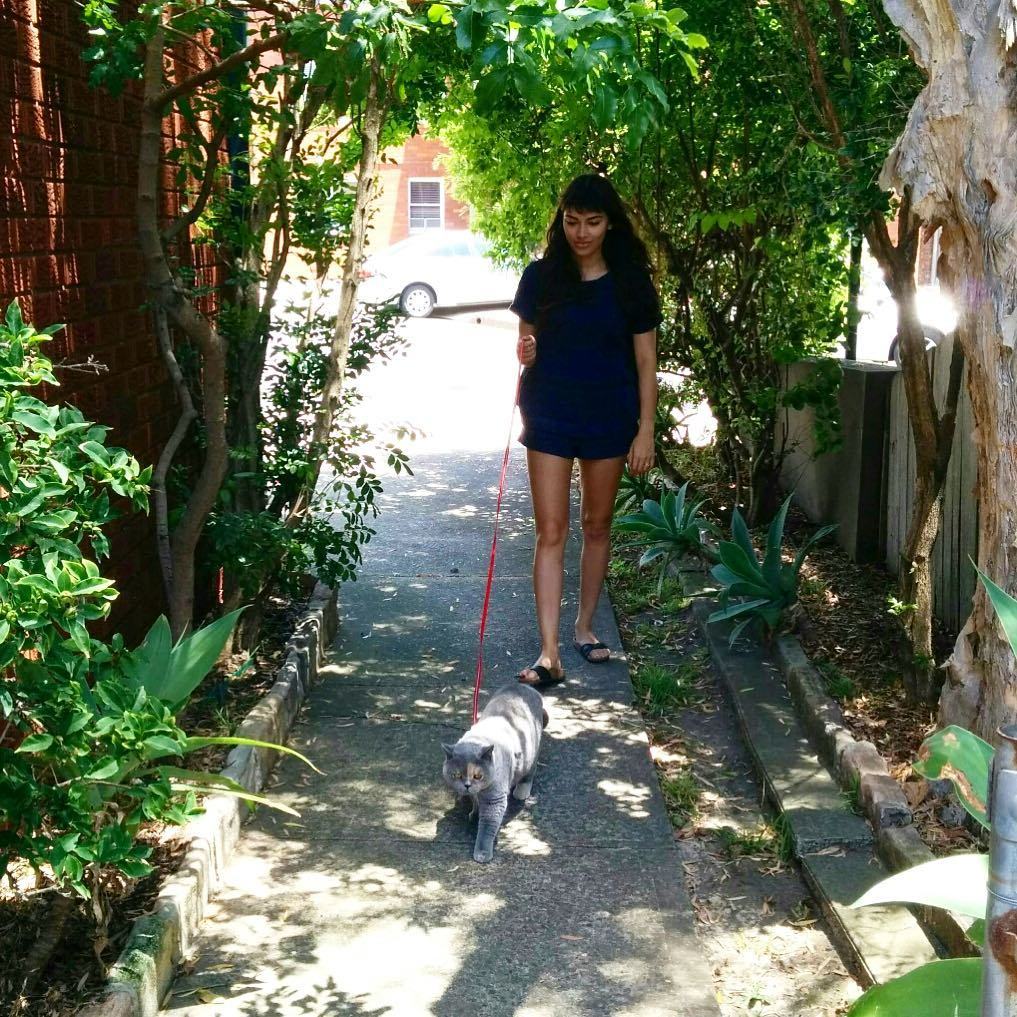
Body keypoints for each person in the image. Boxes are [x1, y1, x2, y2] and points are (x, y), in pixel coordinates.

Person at [509, 173, 661, 687]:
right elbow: (526, 348)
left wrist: (645, 430)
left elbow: (646, 363)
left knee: (596, 525)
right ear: (562, 222)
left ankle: (585, 627)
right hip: (550, 411)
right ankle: (549, 652)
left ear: (610, 224)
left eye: (592, 222)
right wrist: (527, 350)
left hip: (609, 415)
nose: (581, 233)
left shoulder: (631, 283)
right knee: (550, 530)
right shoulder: (540, 277)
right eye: (572, 221)